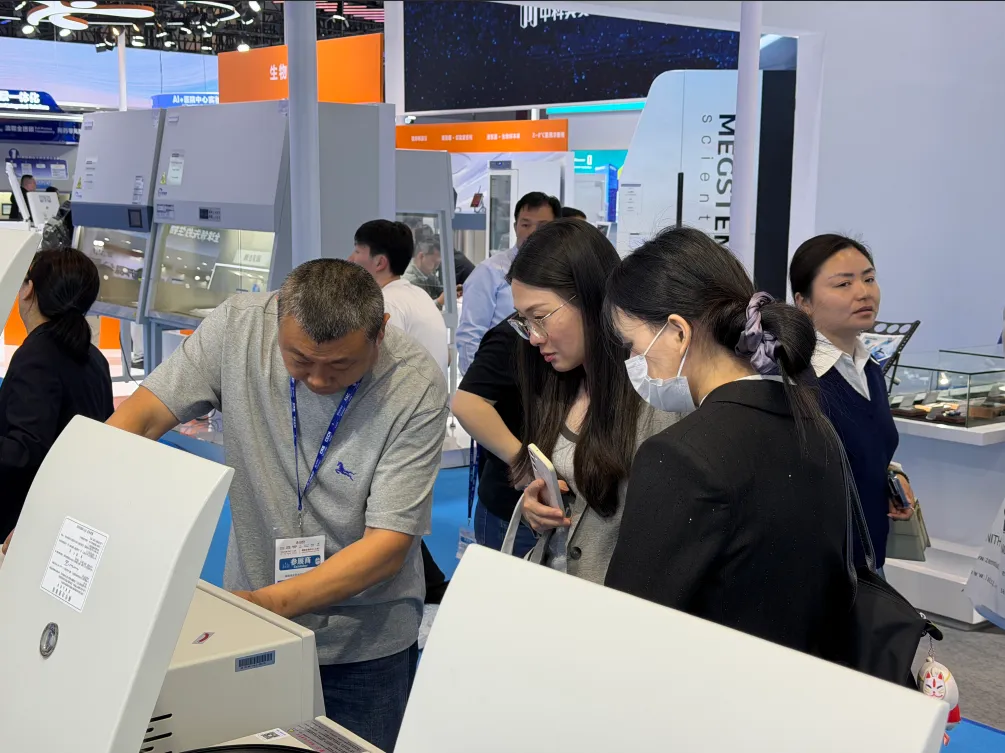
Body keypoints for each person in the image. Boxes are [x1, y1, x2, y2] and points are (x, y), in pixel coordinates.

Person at [102, 259, 447, 751]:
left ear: (380, 332)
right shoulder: (239, 326)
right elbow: (139, 418)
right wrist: (68, 506)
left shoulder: (414, 384)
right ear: (277, 318)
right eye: (299, 360)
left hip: (362, 644)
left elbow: (387, 547)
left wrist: (264, 605)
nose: (319, 380)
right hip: (250, 632)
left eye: (340, 365)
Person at [603, 226, 852, 657]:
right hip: (810, 677)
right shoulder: (813, 423)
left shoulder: (679, 455)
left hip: (714, 684)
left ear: (678, 332)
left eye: (633, 345)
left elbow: (632, 622)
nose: (633, 361)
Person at [507, 219, 676, 583]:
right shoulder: (558, 383)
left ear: (590, 297)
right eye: (524, 321)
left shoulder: (656, 396)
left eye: (540, 317)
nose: (533, 337)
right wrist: (535, 506)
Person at [791, 234, 915, 573]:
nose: (863, 292)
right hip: (817, 572)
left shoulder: (869, 368)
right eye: (843, 284)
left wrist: (891, 476)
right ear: (803, 302)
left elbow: (862, 447)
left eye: (869, 279)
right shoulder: (795, 379)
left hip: (868, 560)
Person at [0, 248, 113, 540]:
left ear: (29, 289)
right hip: (72, 514)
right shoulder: (94, 357)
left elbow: (23, 451)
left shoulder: (37, 355)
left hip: (20, 524)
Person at [452, 319, 536, 556]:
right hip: (512, 507)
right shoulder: (511, 337)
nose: (537, 337)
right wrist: (524, 464)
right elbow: (467, 404)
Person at [456, 192, 560, 372]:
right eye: (525, 225)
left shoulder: (561, 270)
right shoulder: (489, 272)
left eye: (543, 226)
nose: (532, 232)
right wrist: (477, 381)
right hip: (501, 374)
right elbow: (470, 334)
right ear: (515, 227)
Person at [349, 220, 448, 380]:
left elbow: (383, 372)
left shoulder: (387, 303)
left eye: (357, 251)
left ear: (380, 262)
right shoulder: (419, 295)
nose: (350, 259)